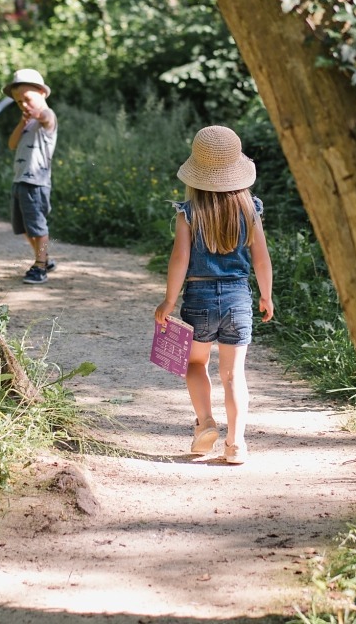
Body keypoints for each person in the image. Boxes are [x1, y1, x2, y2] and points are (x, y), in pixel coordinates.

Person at [154, 125, 274, 465]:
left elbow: (179, 259)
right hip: (238, 296)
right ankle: (235, 443)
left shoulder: (188, 212)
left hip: (198, 297)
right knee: (234, 374)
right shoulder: (251, 209)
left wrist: (169, 300)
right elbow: (262, 259)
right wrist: (266, 296)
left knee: (195, 363)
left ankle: (205, 422)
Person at [5, 68, 58, 284]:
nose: (24, 105)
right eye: (18, 102)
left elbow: (45, 116)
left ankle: (40, 266)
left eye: (27, 99)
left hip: (36, 183)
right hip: (20, 181)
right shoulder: (27, 123)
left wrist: (36, 113)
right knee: (25, 228)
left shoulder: (47, 117)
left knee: (38, 227)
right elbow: (11, 144)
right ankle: (44, 257)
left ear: (42, 93)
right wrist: (22, 122)